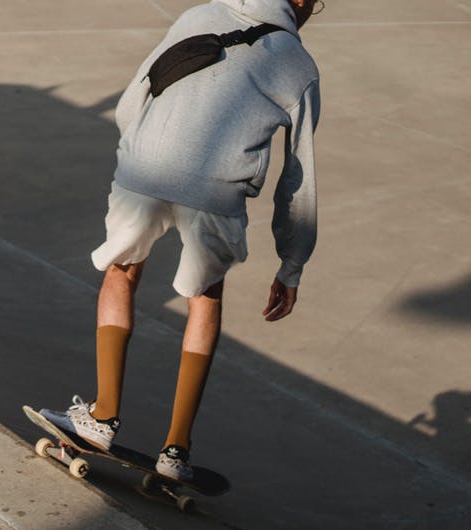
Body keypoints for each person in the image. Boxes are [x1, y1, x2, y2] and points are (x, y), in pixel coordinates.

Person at [39, 0, 322, 481]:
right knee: (204, 298)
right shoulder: (299, 66)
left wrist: (145, 154)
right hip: (217, 191)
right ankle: (175, 452)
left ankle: (102, 418)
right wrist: (291, 264)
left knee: (121, 273)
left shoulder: (197, 16)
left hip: (145, 169)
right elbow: (298, 178)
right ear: (300, 3)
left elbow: (133, 100)